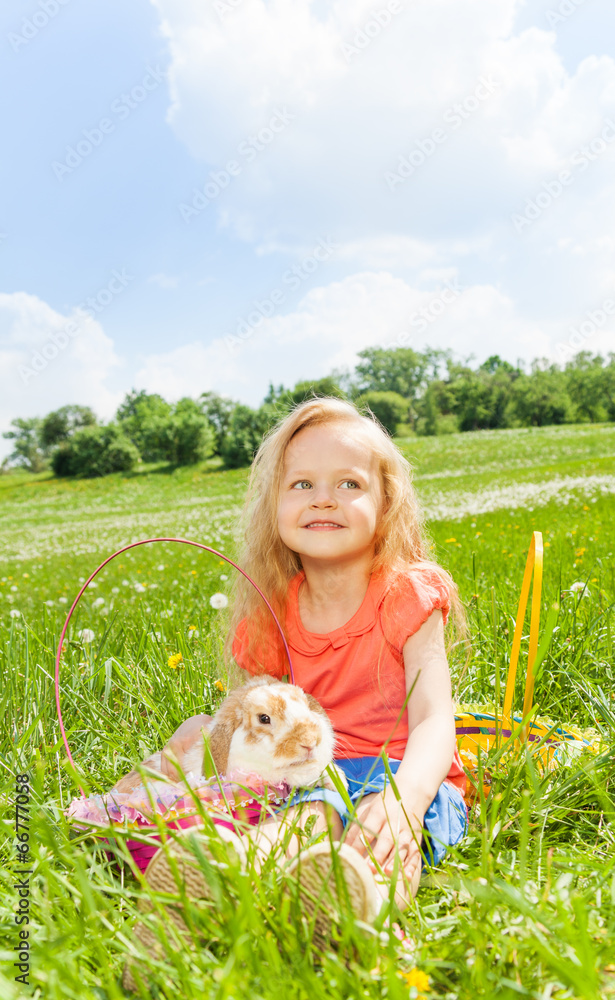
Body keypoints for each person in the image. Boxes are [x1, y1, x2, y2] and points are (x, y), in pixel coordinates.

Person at [151, 397, 468, 942]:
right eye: (302, 485)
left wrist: (407, 798)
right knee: (306, 817)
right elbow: (258, 726)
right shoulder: (270, 615)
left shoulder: (407, 595)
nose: (324, 499)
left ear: (386, 503)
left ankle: (351, 909)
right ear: (272, 504)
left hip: (407, 774)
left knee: (379, 834)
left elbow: (436, 719)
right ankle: (220, 877)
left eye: (349, 484)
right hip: (311, 774)